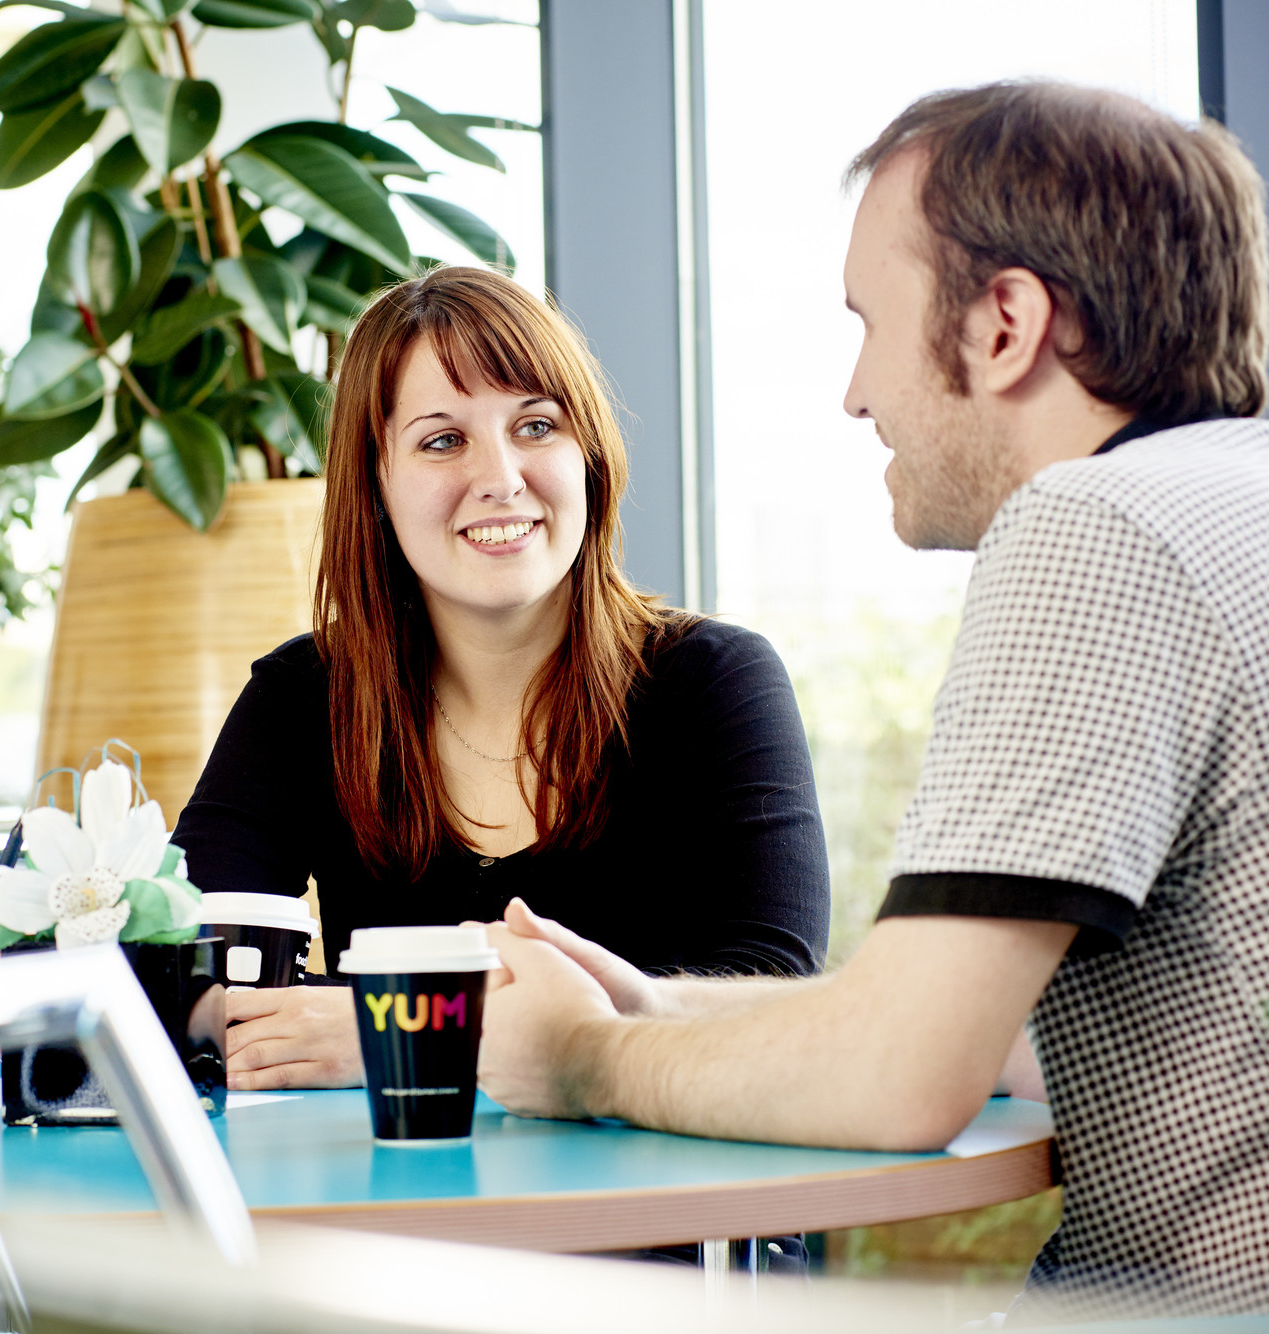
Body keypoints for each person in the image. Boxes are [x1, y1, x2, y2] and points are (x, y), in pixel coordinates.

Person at [478, 82, 1269, 1317]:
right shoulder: (1232, 503)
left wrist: (584, 1056)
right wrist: (660, 1003)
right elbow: (1003, 1029)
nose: (855, 394)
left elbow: (905, 1074)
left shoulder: (1096, 529)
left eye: (868, 322)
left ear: (1004, 323)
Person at [172, 266, 831, 1093]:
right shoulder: (305, 695)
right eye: (442, 440)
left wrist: (394, 1026)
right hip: (405, 1211)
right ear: (375, 483)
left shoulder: (712, 682)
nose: (500, 477)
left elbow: (769, 994)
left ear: (587, 455)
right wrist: (223, 1009)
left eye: (535, 426)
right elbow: (173, 960)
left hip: (669, 1209)